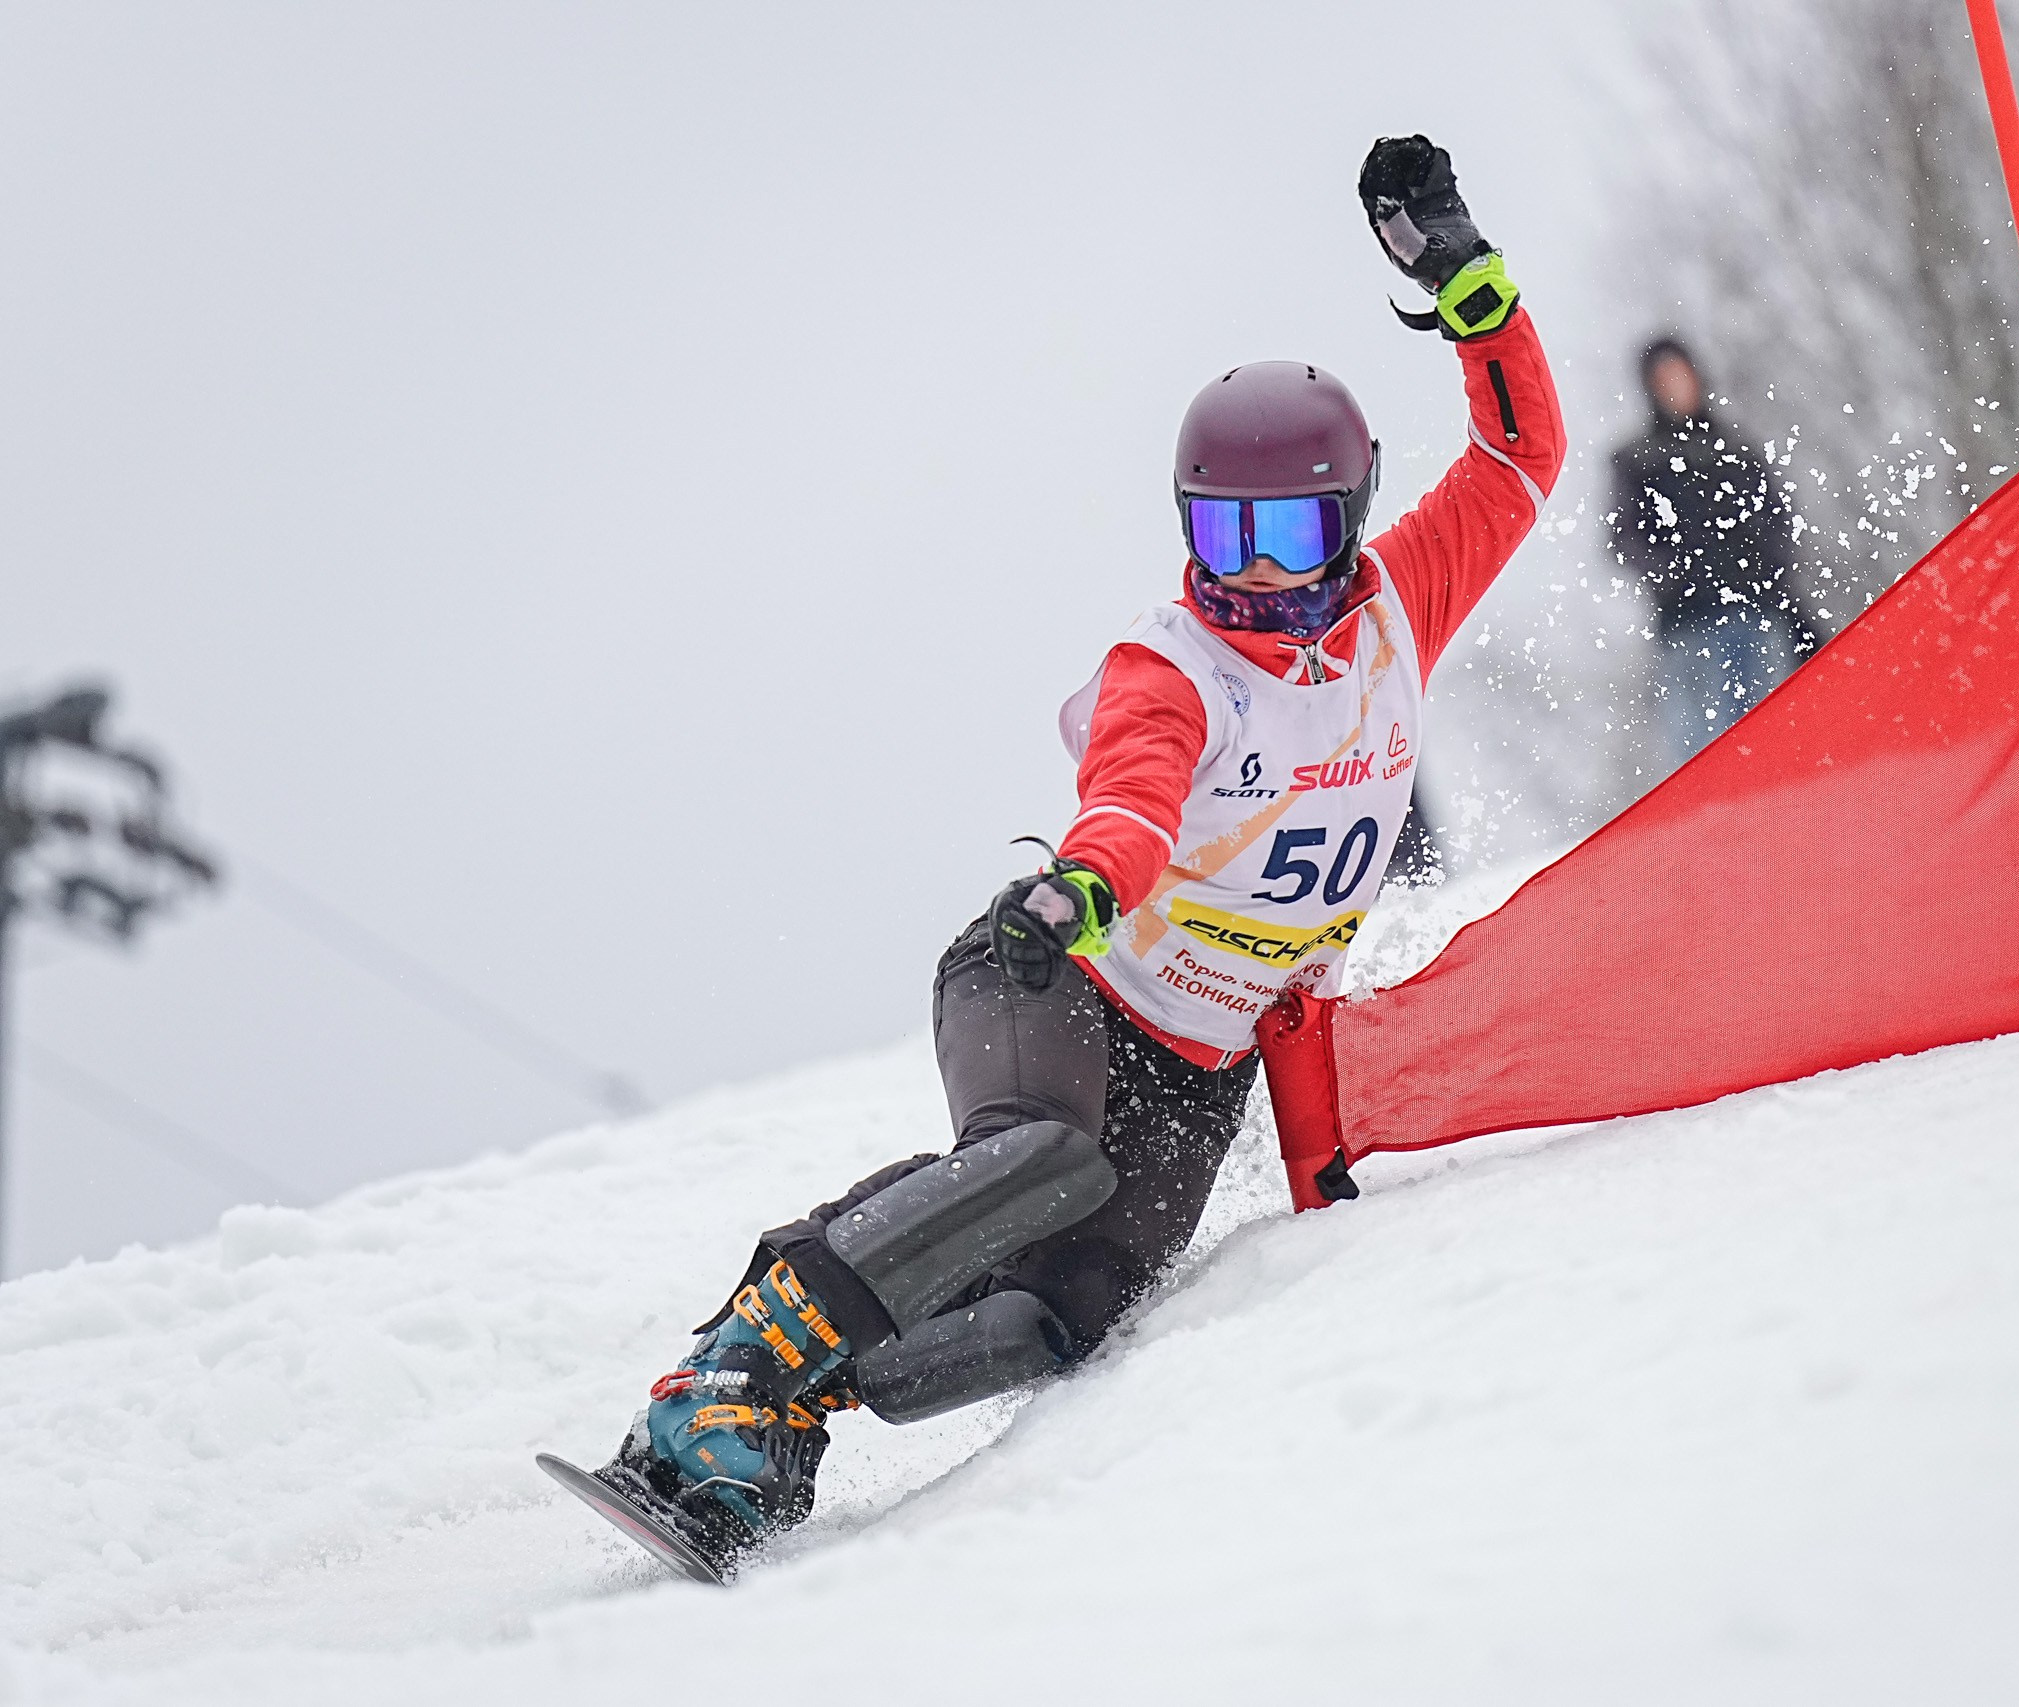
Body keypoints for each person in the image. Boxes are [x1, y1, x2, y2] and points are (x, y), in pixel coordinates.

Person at [556, 136, 1564, 1574]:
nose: (1260, 569)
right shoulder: (1175, 663)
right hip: (1058, 972)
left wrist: (1468, 286)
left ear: (1349, 516)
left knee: (1060, 1310)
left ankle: (793, 1416)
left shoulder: (1401, 605)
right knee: (1038, 1156)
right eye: (1228, 529)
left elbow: (1523, 454)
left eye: (1292, 530)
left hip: (1198, 1063)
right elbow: (1134, 804)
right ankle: (730, 1371)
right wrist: (1081, 888)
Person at [1605, 337, 1818, 767]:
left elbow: (1778, 520)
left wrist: (1769, 577)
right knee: (1699, 756)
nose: (1674, 387)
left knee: (1766, 745)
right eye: (1663, 379)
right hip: (1688, 627)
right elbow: (1624, 540)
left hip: (1755, 616)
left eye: (1680, 375)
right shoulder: (1637, 460)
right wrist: (1676, 574)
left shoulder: (1737, 449)